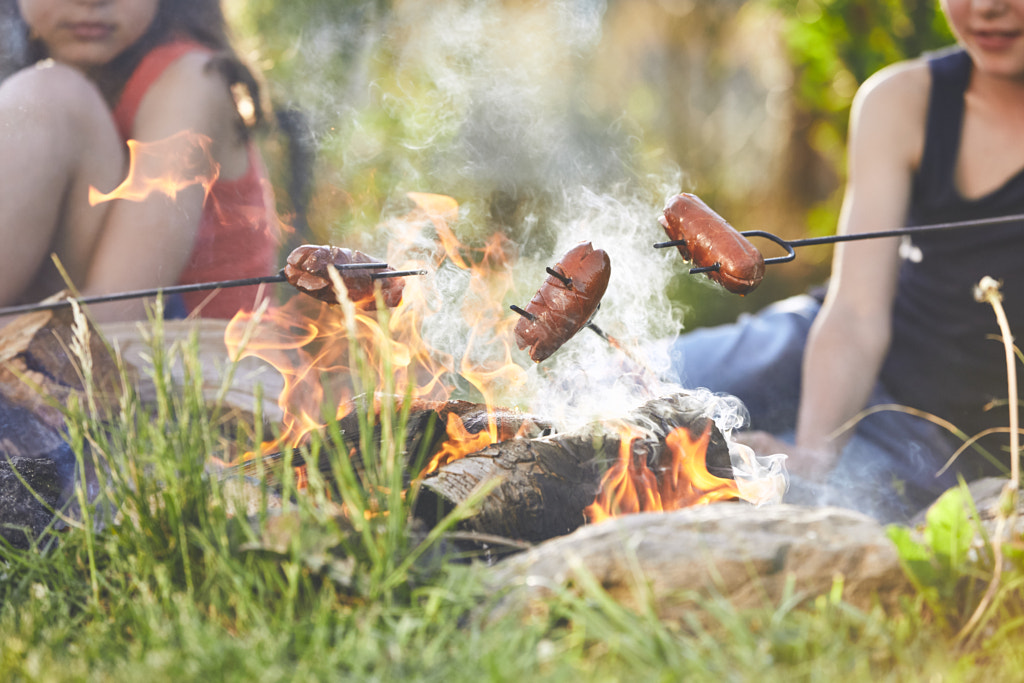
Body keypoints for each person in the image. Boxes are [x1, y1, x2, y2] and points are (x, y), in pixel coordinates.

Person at [667, 0, 1024, 523]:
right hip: (818, 348)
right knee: (624, 385)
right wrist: (813, 451)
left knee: (769, 500)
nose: (987, 7)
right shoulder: (903, 101)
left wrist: (808, 468)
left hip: (929, 443)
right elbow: (856, 310)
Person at [0, 0, 280, 321]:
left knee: (50, 93)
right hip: (75, 344)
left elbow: (122, 308)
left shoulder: (190, 81)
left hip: (192, 353)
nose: (92, 2)